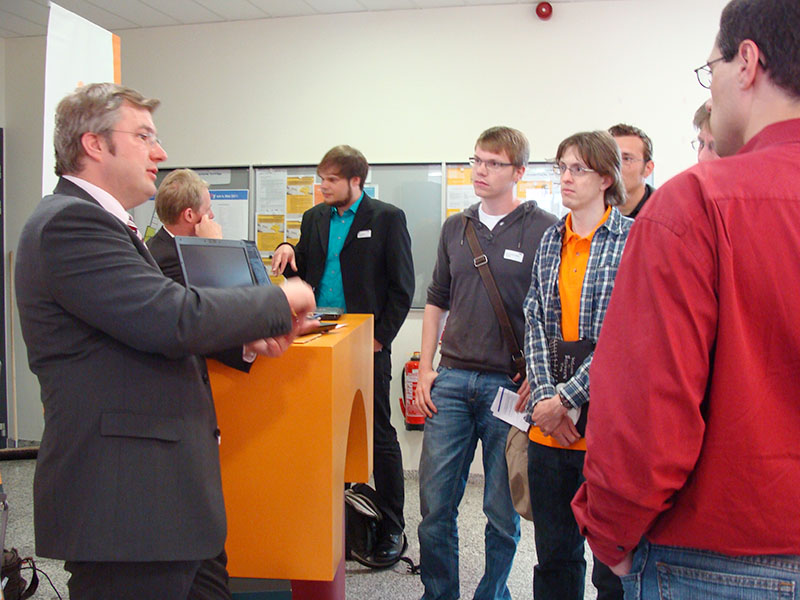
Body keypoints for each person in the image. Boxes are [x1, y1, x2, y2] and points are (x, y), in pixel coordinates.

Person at [14, 82, 317, 600]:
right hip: (127, 509)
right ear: (94, 144)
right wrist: (278, 300)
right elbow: (169, 316)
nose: (160, 152)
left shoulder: (109, 224)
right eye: (144, 136)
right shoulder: (69, 223)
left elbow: (147, 325)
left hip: (165, 506)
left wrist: (248, 338)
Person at [572, 0, 800, 597]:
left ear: (747, 62)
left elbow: (647, 409)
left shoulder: (697, 203)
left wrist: (611, 534)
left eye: (711, 69)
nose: (712, 88)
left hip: (718, 557)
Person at [416, 126, 556, 600]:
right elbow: (436, 300)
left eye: (493, 163)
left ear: (519, 172)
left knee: (501, 512)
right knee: (435, 507)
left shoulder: (545, 229)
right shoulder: (455, 228)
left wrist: (540, 376)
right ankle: (440, 594)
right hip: (452, 379)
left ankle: (492, 594)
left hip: (509, 386)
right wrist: (427, 368)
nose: (480, 170)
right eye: (476, 160)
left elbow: (553, 310)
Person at [271, 145, 414, 564]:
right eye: (321, 179)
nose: (323, 186)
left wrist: (380, 338)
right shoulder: (315, 217)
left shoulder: (386, 218)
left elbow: (402, 286)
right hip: (317, 340)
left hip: (366, 344)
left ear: (356, 181)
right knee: (319, 433)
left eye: (331, 180)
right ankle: (331, 523)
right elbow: (304, 267)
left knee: (379, 434)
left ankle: (392, 525)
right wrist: (288, 248)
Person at [521, 131, 631, 600]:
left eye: (578, 169)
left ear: (606, 178)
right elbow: (534, 320)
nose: (565, 177)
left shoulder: (632, 239)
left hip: (605, 432)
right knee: (554, 560)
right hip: (549, 432)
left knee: (611, 569)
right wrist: (548, 399)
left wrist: (566, 399)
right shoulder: (551, 239)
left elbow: (626, 335)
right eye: (561, 167)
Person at [148, 169, 254, 372]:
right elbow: (212, 311)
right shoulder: (167, 257)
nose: (212, 216)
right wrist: (214, 246)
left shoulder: (172, 246)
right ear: (190, 215)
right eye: (208, 209)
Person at [608, 124, 654, 218]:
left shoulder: (666, 212)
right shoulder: (588, 212)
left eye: (626, 159)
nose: (615, 166)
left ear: (648, 168)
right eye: (610, 158)